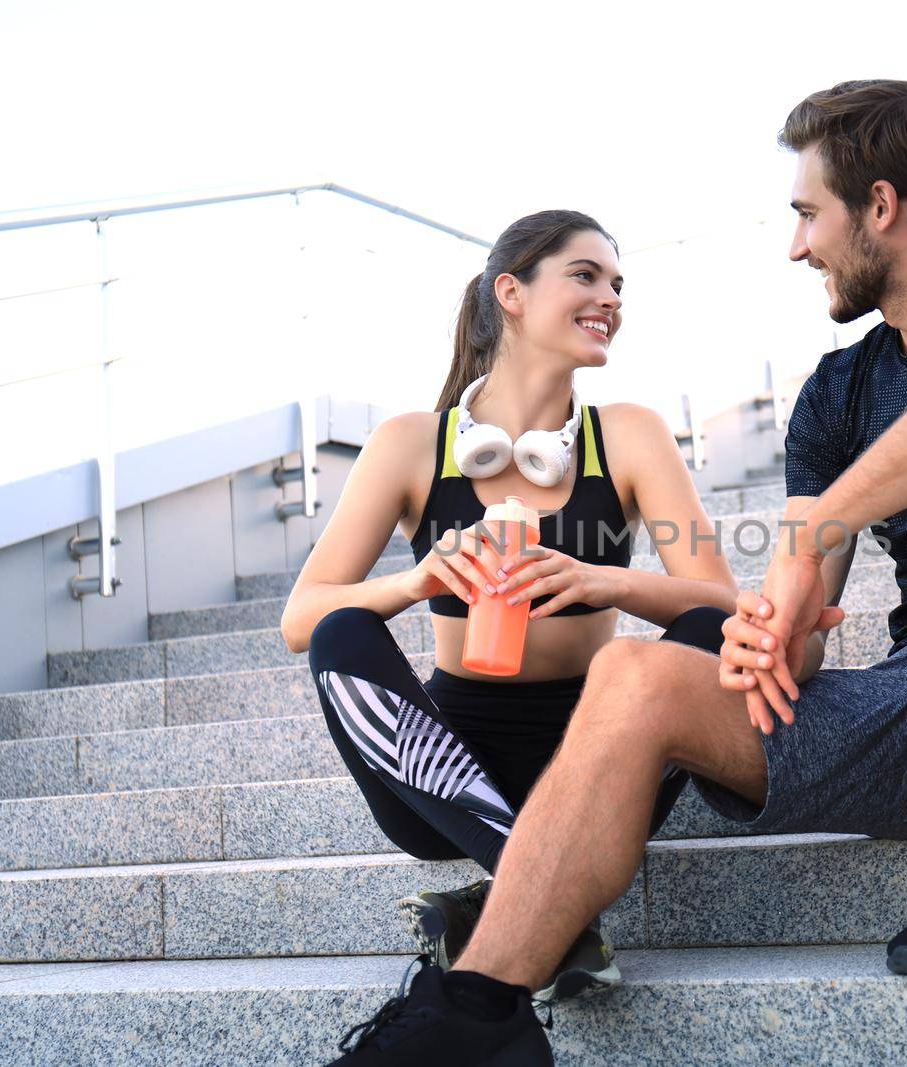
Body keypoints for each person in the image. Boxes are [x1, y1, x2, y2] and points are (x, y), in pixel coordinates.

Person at [327, 80, 907, 1066]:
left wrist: (840, 506)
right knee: (634, 675)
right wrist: (769, 630)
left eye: (806, 214)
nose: (795, 246)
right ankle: (475, 1013)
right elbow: (800, 595)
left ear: (880, 207)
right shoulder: (835, 391)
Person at [276, 210, 738, 1063]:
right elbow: (301, 619)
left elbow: (723, 608)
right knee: (346, 629)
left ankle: (503, 903)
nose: (610, 298)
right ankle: (548, 900)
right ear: (512, 293)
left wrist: (604, 579)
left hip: (605, 756)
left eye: (618, 284)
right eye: (587, 276)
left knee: (709, 633)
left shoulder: (627, 434)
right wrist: (417, 580)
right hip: (447, 773)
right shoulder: (413, 443)